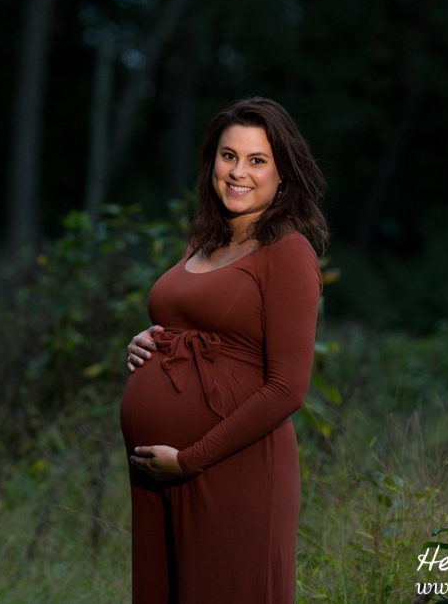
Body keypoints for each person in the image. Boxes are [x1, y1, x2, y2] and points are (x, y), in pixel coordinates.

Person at [119, 96, 329, 603]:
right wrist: (148, 340)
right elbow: (198, 325)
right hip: (157, 473)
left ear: (283, 174)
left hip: (229, 469)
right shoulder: (203, 242)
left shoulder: (287, 253)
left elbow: (287, 389)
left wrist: (190, 459)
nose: (239, 172)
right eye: (228, 155)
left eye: (257, 160)